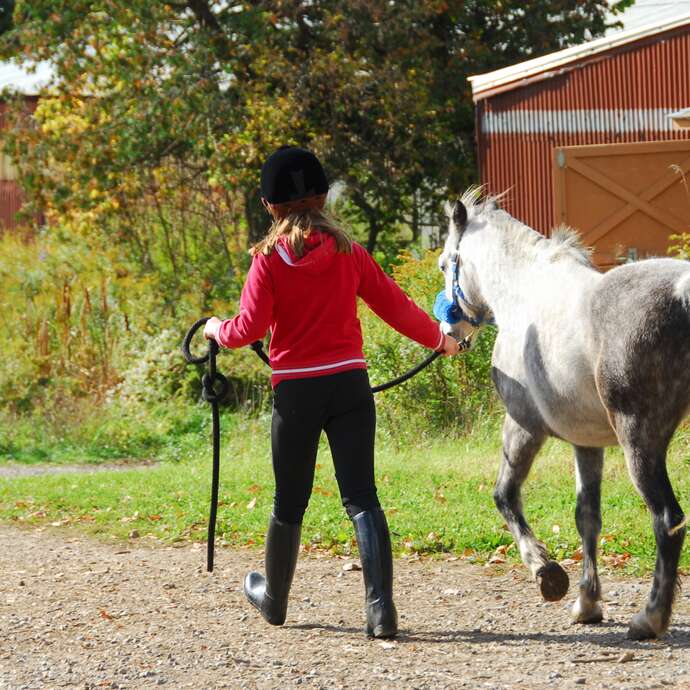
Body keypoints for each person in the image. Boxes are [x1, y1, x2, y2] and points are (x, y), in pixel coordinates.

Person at [203, 146, 459, 638]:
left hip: (296, 393)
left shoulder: (267, 262)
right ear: (323, 196)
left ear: (267, 205)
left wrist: (216, 328)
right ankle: (381, 611)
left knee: (288, 500)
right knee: (362, 496)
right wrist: (439, 340)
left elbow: (247, 329)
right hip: (349, 387)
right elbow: (395, 306)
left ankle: (274, 601)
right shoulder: (349, 251)